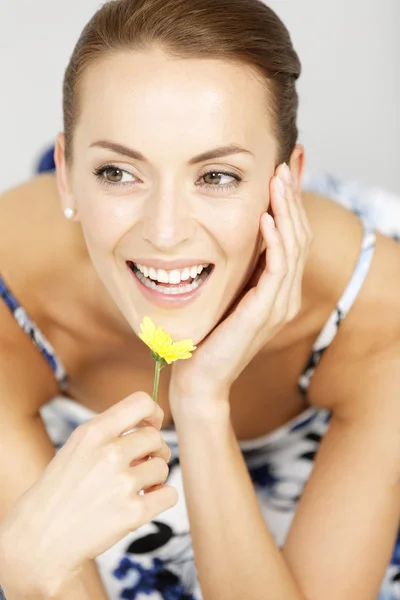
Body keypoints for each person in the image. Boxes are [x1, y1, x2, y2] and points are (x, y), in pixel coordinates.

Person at [0, 0, 399, 598]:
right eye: (117, 171)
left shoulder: (381, 320)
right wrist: (27, 569)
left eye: (216, 176)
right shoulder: (14, 306)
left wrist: (203, 401)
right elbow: (49, 575)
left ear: (284, 180)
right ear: (64, 171)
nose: (165, 231)